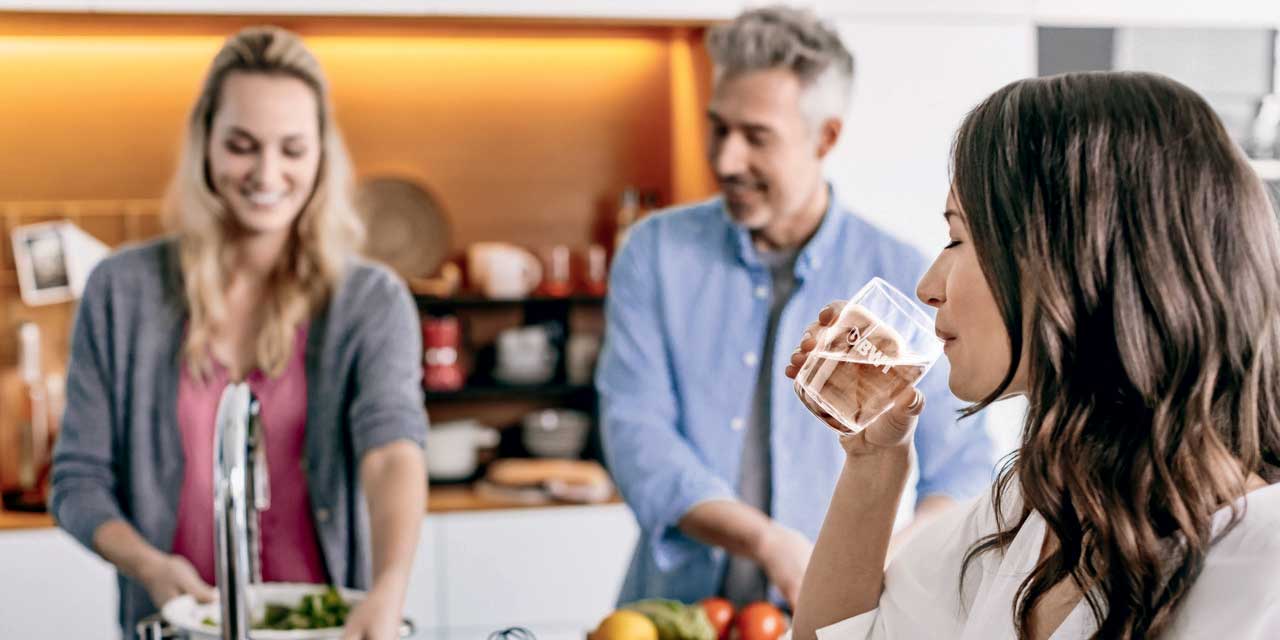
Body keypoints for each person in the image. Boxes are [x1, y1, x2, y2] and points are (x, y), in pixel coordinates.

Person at [789, 71, 1280, 639]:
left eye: (958, 238)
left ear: (1072, 256)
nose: (928, 285)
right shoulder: (1028, 510)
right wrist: (873, 464)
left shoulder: (1262, 567)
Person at [596, 5, 994, 608]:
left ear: (825, 137)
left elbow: (961, 470)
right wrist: (768, 543)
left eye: (756, 137)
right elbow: (636, 432)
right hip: (674, 613)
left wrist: (864, 562)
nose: (726, 160)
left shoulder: (901, 274)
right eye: (718, 127)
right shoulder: (654, 251)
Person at [50, 26, 428, 639]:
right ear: (205, 145)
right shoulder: (121, 291)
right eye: (243, 145)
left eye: (293, 148)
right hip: (179, 627)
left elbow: (391, 451)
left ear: (323, 156)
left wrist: (388, 588)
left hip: (327, 629)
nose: (267, 172)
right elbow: (77, 482)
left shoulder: (371, 300)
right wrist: (148, 566)